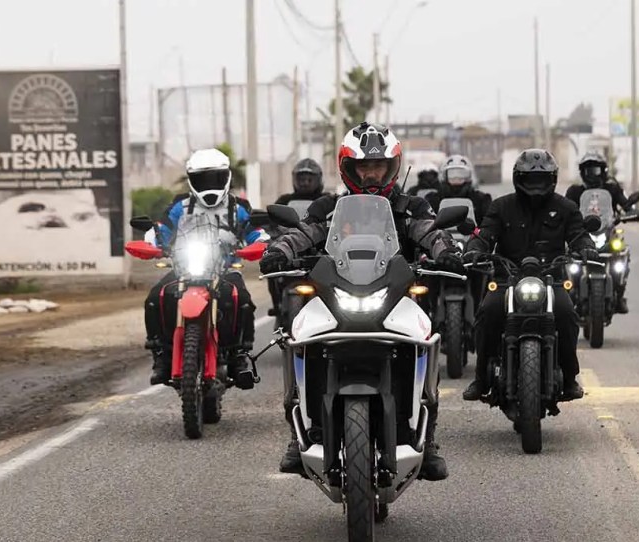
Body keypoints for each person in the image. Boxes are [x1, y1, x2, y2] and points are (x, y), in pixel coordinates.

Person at [260, 122, 463, 482]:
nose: (371, 174)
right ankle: (297, 435)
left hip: (396, 295)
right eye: (364, 167)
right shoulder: (328, 207)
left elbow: (431, 233)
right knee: (298, 337)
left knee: (426, 339)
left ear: (392, 167)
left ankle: (427, 440)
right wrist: (278, 250)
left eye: (378, 166)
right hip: (339, 292)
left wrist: (447, 252)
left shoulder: (411, 207)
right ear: (348, 169)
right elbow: (302, 232)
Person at [462, 149, 597, 403]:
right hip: (507, 279)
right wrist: (475, 249)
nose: (536, 185)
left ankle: (570, 378)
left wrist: (586, 248)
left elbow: (579, 234)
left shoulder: (566, 208)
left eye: (542, 179)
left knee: (567, 314)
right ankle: (481, 379)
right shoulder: (501, 207)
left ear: (552, 179)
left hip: (551, 281)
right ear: (518, 178)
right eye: (530, 178)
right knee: (488, 312)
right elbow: (484, 234)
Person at [143, 148, 265, 389]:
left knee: (243, 300)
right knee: (155, 298)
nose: (210, 185)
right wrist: (153, 243)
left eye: (216, 178)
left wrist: (260, 243)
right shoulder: (180, 207)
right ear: (192, 180)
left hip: (226, 269)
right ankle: (162, 355)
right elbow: (160, 230)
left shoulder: (238, 207)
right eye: (203, 179)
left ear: (226, 177)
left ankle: (239, 356)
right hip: (185, 270)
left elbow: (256, 232)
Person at [564, 151, 639, 313]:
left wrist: (633, 211)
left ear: (604, 171)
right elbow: (565, 208)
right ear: (582, 172)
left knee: (621, 252)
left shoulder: (612, 189)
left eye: (595, 170)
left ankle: (619, 294)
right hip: (583, 234)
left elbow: (626, 205)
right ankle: (569, 293)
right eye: (588, 170)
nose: (592, 174)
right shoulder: (574, 191)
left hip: (607, 232)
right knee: (566, 255)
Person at [267, 158, 329, 317]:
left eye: (309, 179)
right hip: (291, 250)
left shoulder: (326, 200)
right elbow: (272, 222)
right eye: (301, 179)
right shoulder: (284, 200)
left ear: (319, 179)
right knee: (271, 266)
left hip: (321, 251)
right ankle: (277, 304)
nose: (305, 183)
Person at [429, 154, 493, 225]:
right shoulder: (434, 199)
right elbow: (426, 224)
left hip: (474, 232)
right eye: (452, 174)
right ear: (444, 176)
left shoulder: (481, 199)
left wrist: (475, 229)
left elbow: (489, 226)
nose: (456, 178)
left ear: (469, 176)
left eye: (461, 173)